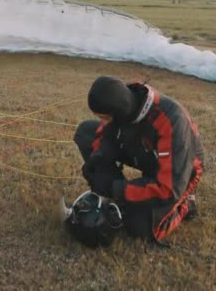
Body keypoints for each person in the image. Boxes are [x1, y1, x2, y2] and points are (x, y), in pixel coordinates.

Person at [73, 76, 204, 242]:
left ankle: (185, 205)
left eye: (104, 117)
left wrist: (115, 188)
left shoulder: (171, 122)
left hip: (180, 173)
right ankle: (123, 199)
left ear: (119, 112)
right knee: (86, 133)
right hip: (145, 150)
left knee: (137, 226)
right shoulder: (127, 103)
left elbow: (169, 188)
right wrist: (98, 158)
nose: (102, 122)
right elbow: (107, 133)